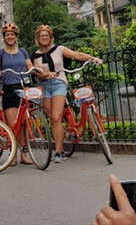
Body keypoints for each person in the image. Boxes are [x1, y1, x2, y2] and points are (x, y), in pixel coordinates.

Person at [31, 24, 103, 163]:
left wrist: (93, 58)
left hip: (59, 83)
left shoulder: (59, 49)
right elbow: (37, 73)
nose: (44, 38)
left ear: (50, 37)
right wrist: (45, 74)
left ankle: (58, 151)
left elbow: (77, 55)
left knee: (57, 117)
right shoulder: (36, 55)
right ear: (38, 39)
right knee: (52, 118)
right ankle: (62, 144)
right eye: (41, 36)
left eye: (46, 35)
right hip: (45, 86)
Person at [0, 23, 34, 166]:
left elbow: (29, 66)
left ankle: (24, 155)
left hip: (24, 87)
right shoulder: (0, 52)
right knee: (13, 124)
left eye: (12, 34)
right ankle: (13, 154)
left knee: (23, 123)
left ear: (16, 36)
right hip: (10, 88)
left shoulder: (22, 51)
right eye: (7, 34)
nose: (10, 36)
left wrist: (36, 69)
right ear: (4, 37)